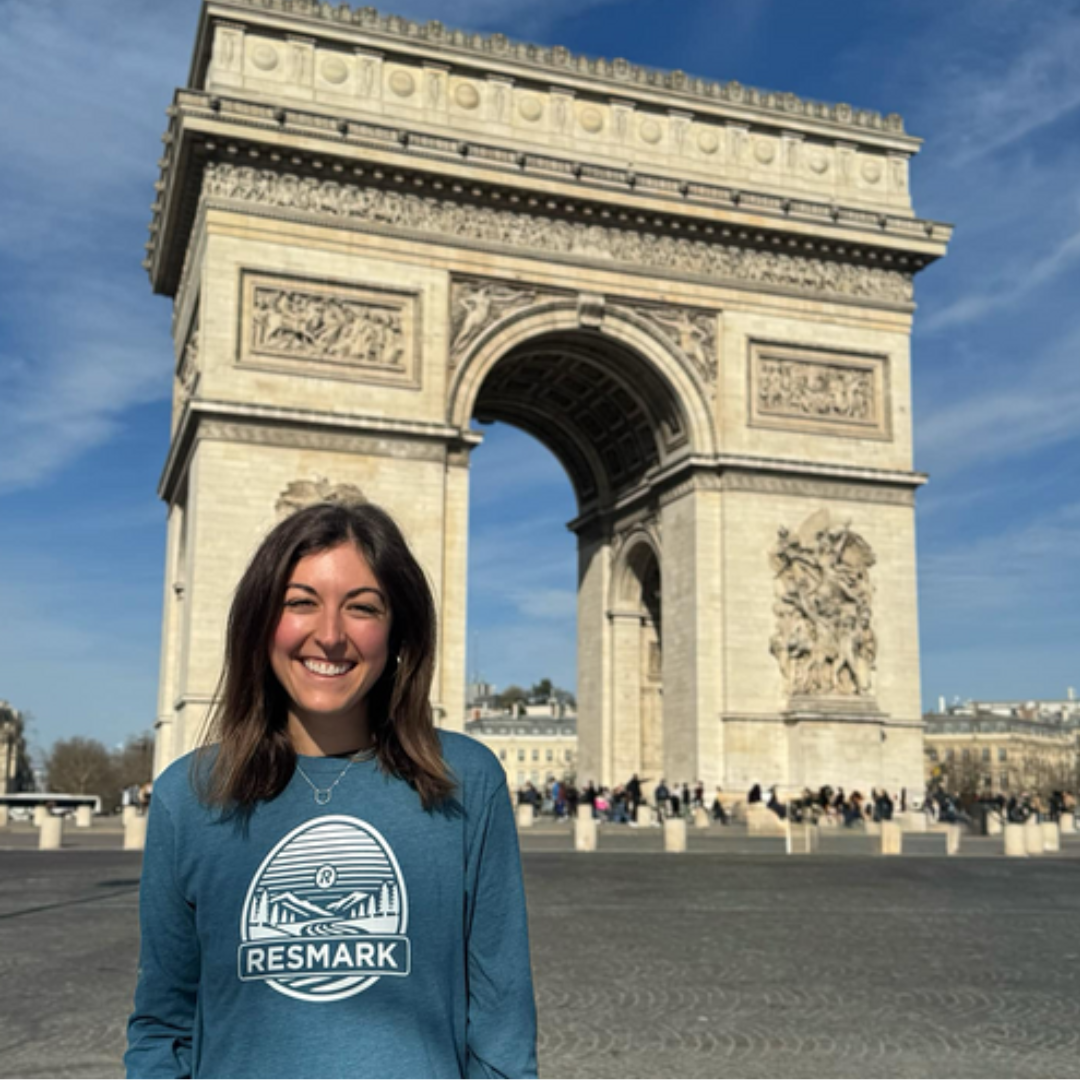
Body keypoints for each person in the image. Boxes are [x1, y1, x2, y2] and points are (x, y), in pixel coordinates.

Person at [125, 502, 537, 1079]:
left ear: (398, 630)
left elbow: (502, 1029)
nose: (331, 635)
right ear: (260, 621)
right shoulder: (186, 798)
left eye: (363, 608)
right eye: (300, 602)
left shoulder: (468, 782)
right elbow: (163, 1027)